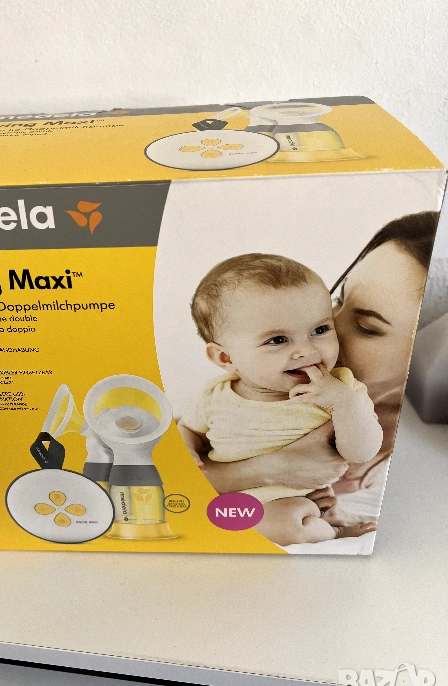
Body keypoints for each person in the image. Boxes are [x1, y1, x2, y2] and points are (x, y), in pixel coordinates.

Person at [195, 212, 439, 527]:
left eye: (366, 327)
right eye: (338, 299)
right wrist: (265, 469)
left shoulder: (415, 447)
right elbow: (168, 467)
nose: (328, 328)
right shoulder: (251, 384)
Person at [178, 253, 382, 545]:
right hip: (231, 497)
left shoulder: (340, 388)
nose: (306, 350)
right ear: (226, 358)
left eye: (320, 330)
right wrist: (187, 449)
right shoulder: (215, 395)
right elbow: (189, 429)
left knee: (288, 523)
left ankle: (334, 530)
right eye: (277, 340)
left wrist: (343, 403)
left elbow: (362, 452)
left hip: (295, 503)